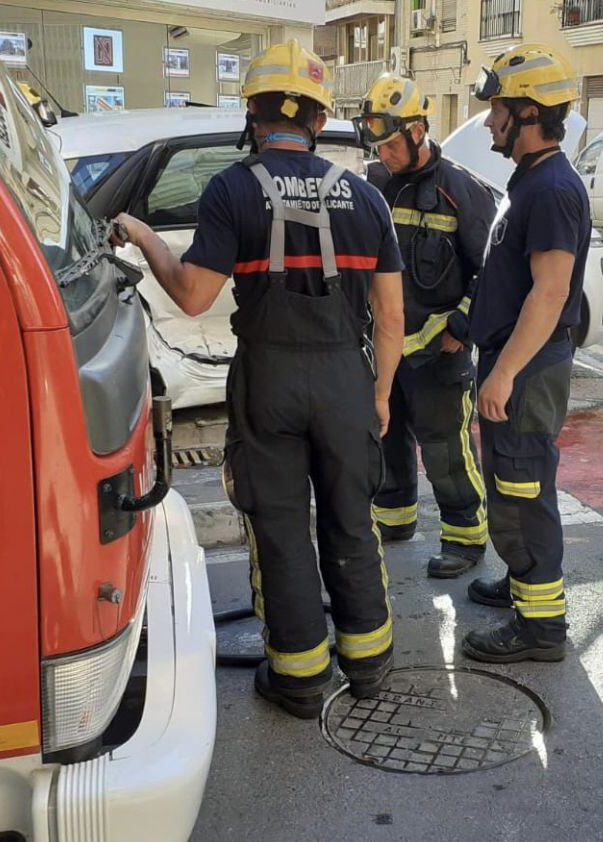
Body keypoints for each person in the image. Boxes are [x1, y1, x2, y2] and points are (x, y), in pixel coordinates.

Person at [110, 41, 405, 718]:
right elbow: (391, 316)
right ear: (318, 118)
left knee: (278, 527)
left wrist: (145, 235)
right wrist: (380, 393)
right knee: (350, 520)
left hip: (269, 377)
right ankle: (369, 663)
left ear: (253, 111)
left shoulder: (233, 189)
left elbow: (189, 294)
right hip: (344, 379)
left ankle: (299, 678)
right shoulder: (366, 197)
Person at [458, 43, 590, 663]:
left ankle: (539, 627)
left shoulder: (554, 188)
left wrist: (504, 372)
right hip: (515, 361)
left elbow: (552, 290)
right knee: (511, 483)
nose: (489, 120)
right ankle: (523, 582)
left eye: (498, 110)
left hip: (528, 369)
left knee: (522, 489)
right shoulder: (531, 181)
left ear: (529, 113)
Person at [358, 75, 496, 579]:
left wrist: (462, 325)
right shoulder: (372, 184)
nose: (386, 154)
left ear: (419, 130)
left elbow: (491, 271)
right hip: (386, 349)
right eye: (379, 145)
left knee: (446, 448)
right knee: (387, 436)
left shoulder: (463, 191)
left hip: (440, 349)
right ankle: (395, 517)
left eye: (393, 142)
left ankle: (464, 535)